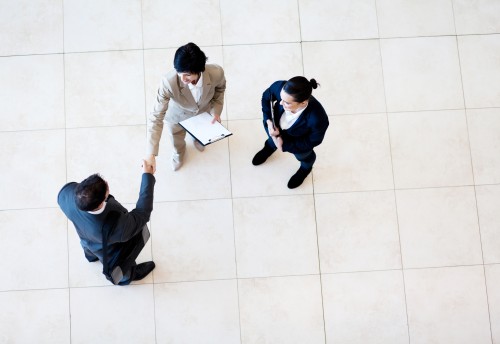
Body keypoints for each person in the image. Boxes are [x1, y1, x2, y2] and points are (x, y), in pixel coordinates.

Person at [57, 160, 156, 285]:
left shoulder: (65, 195)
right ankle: (128, 276)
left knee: (89, 247)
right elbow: (142, 213)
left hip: (85, 238)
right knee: (121, 265)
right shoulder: (118, 227)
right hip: (107, 248)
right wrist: (148, 176)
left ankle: (91, 257)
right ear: (101, 201)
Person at [146, 42, 226, 171]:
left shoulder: (216, 73)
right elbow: (156, 116)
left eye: (187, 75)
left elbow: (220, 91)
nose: (182, 79)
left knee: (200, 133)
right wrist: (151, 154)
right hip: (177, 117)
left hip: (202, 114)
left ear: (199, 70)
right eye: (179, 73)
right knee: (176, 139)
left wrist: (216, 112)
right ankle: (179, 154)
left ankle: (197, 140)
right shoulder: (168, 82)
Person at [252, 76, 329, 189]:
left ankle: (305, 169)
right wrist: (268, 121)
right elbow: (266, 98)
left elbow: (313, 141)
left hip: (298, 142)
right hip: (276, 128)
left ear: (302, 103)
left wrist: (284, 146)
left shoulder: (317, 118)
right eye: (281, 98)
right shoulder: (280, 88)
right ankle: (269, 148)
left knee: (305, 157)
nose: (280, 103)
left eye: (287, 103)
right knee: (271, 141)